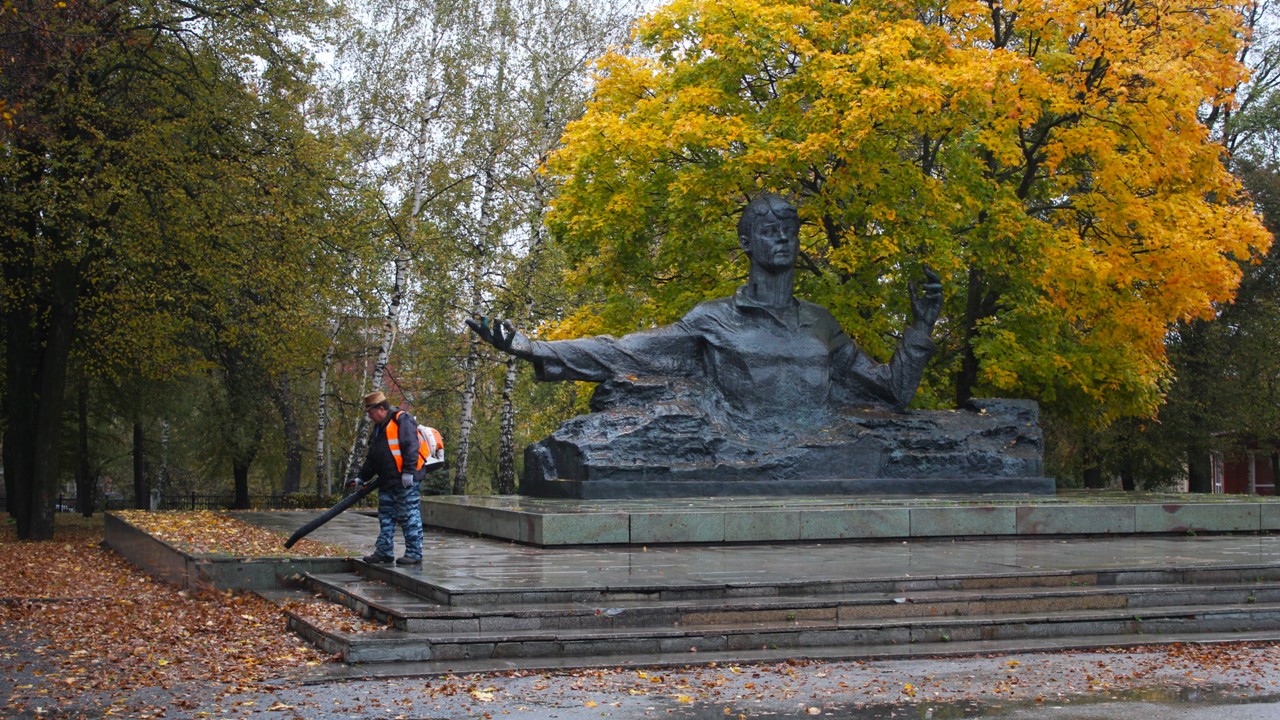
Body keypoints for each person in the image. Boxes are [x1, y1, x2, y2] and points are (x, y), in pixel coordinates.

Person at [467, 194, 943, 422]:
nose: (783, 237)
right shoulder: (714, 319)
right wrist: (536, 348)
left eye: (791, 230)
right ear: (745, 241)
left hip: (818, 455)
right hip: (739, 450)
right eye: (769, 229)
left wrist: (920, 329)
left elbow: (890, 392)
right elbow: (624, 352)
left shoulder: (820, 323)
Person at [351, 391, 425, 566]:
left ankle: (414, 553)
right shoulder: (378, 429)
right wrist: (362, 477)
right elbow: (373, 457)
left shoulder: (402, 419)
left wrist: (408, 472)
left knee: (409, 516)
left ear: (381, 408)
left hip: (405, 480)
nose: (369, 417)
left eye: (370, 412)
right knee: (386, 517)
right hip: (387, 480)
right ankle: (384, 552)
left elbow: (411, 446)